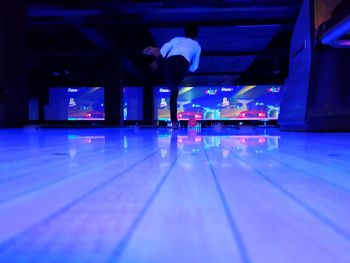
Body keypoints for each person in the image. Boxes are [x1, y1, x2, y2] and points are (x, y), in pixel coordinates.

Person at [143, 25, 201, 129]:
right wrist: (191, 68)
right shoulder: (196, 46)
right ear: (196, 35)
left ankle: (157, 56)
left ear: (185, 32)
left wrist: (161, 55)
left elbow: (166, 47)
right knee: (174, 92)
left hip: (169, 62)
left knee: (162, 67)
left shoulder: (177, 39)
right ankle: (174, 122)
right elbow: (194, 66)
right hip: (183, 65)